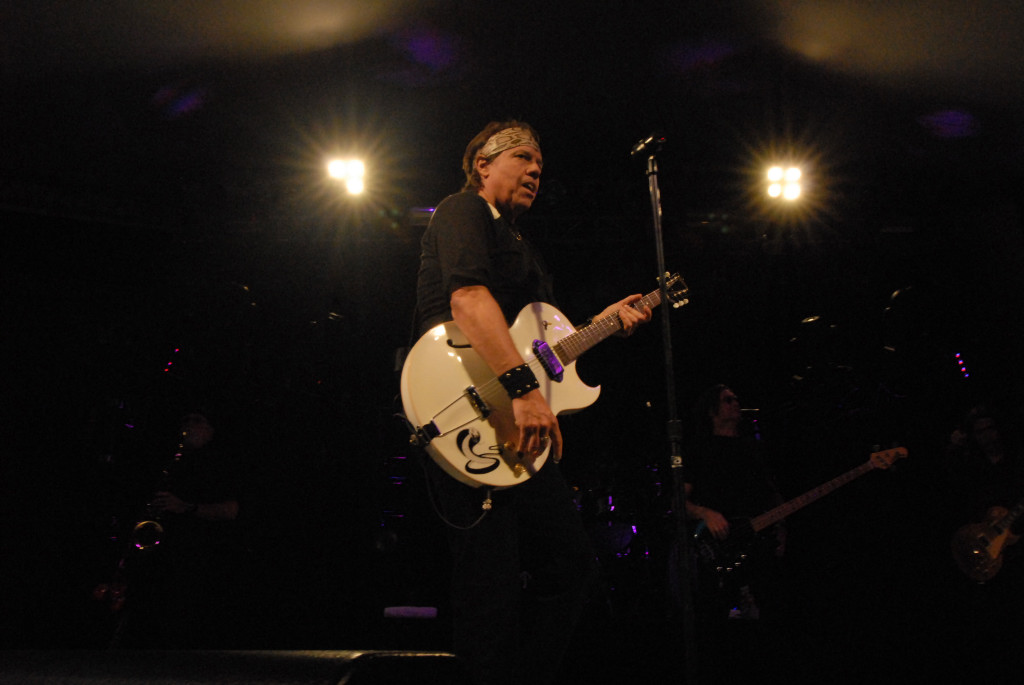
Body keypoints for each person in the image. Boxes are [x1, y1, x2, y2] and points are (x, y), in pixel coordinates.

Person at [412, 120, 651, 685]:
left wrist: (600, 326)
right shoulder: (463, 210)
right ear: (482, 164)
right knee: (489, 582)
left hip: (519, 418)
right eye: (522, 157)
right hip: (464, 407)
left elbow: (538, 345)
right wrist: (523, 392)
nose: (536, 170)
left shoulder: (522, 245)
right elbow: (468, 298)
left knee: (570, 566)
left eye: (540, 163)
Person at [682, 384, 789, 683]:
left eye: (736, 399)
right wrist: (706, 513)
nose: (735, 403)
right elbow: (678, 501)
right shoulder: (699, 449)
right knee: (716, 629)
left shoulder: (753, 448)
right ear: (712, 410)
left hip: (759, 544)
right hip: (718, 549)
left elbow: (773, 494)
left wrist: (782, 529)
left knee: (768, 622)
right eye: (727, 400)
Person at [114, 411, 246, 649]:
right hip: (160, 555)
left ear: (212, 430)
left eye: (197, 421)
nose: (188, 426)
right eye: (186, 420)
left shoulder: (221, 464)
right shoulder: (171, 460)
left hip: (195, 556)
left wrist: (185, 507)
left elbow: (231, 510)